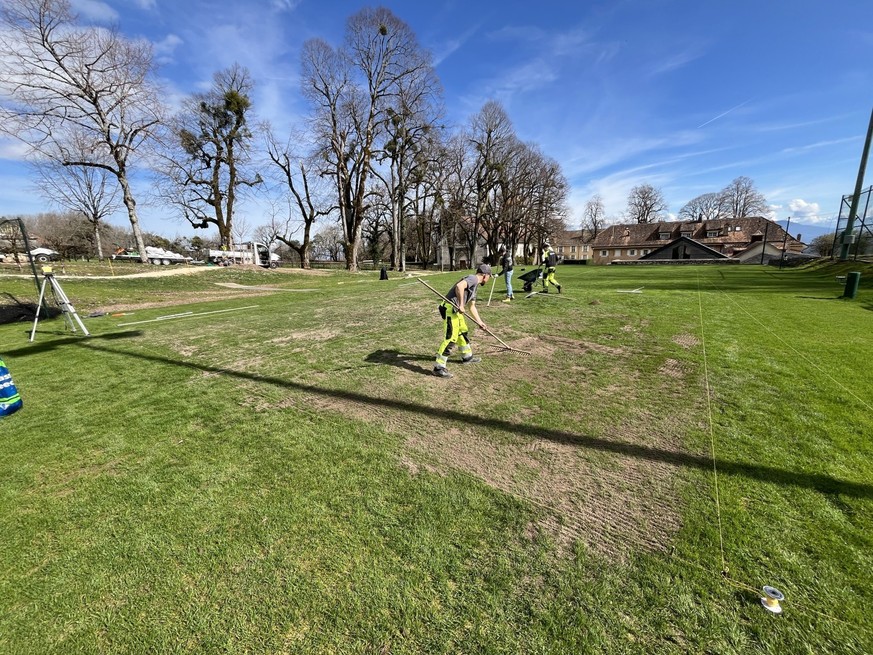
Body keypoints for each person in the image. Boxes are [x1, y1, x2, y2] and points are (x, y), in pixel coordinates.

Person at [433, 264, 492, 378]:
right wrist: (461, 304)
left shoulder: (475, 287)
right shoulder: (473, 278)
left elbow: (472, 306)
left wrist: (479, 322)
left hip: (456, 310)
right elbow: (459, 286)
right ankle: (438, 367)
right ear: (485, 275)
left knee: (462, 331)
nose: (489, 279)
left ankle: (467, 357)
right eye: (489, 276)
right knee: (451, 338)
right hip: (450, 308)